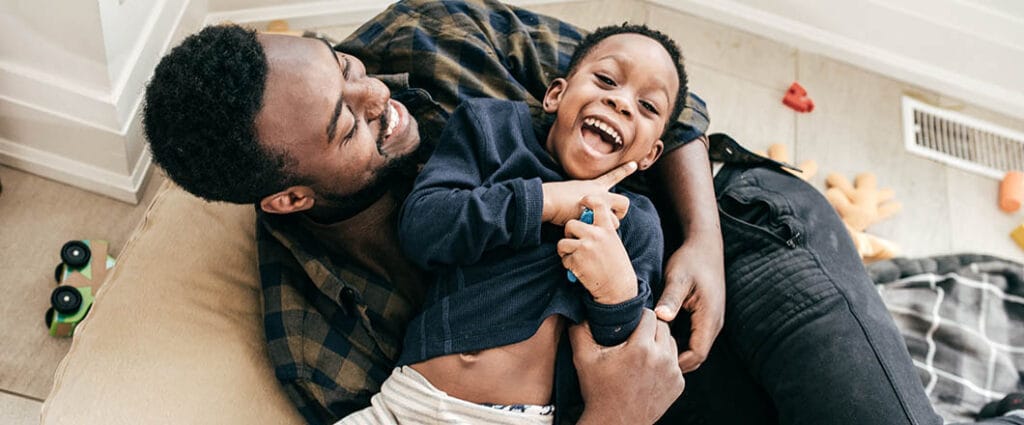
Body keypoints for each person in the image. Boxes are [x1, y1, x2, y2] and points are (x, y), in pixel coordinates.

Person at [140, 0, 1024, 424]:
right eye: (348, 122)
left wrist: (705, 243)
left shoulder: (432, 38)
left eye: (342, 65)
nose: (378, 95)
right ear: (289, 195)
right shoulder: (316, 324)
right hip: (630, 375)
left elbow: (658, 90)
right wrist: (615, 410)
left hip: (740, 243)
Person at [337, 24, 684, 424]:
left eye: (648, 107)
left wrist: (616, 291)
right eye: (606, 80)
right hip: (406, 400)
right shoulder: (492, 129)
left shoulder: (635, 221)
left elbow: (624, 361)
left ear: (651, 155)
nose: (621, 102)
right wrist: (545, 202)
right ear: (556, 95)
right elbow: (423, 227)